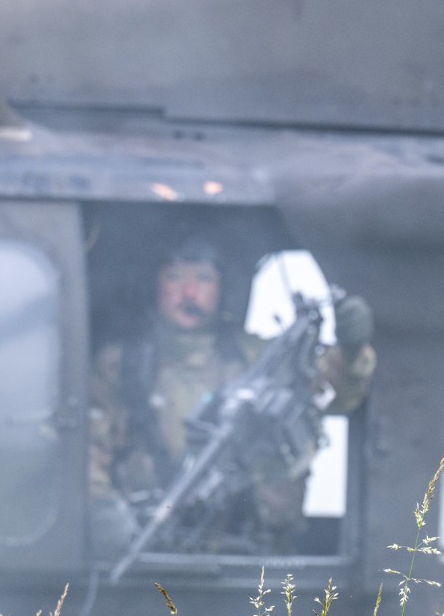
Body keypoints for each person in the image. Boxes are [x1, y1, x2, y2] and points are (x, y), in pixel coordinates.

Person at [88, 238, 376, 558]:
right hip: (149, 552)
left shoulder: (258, 359)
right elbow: (88, 448)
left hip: (252, 557)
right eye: (175, 277)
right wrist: (101, 510)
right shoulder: (120, 366)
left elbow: (333, 395)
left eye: (203, 279)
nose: (189, 292)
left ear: (221, 290)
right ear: (155, 286)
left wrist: (351, 353)